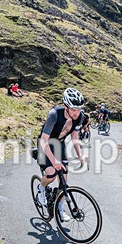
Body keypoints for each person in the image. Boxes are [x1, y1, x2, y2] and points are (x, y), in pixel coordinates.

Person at [35, 88, 87, 221]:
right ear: (66, 107)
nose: (77, 112)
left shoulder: (80, 117)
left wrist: (80, 155)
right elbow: (44, 140)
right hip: (45, 144)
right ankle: (41, 188)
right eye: (74, 109)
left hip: (59, 144)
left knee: (64, 181)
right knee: (52, 173)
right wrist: (54, 161)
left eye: (79, 109)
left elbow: (75, 137)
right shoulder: (54, 114)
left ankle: (60, 208)